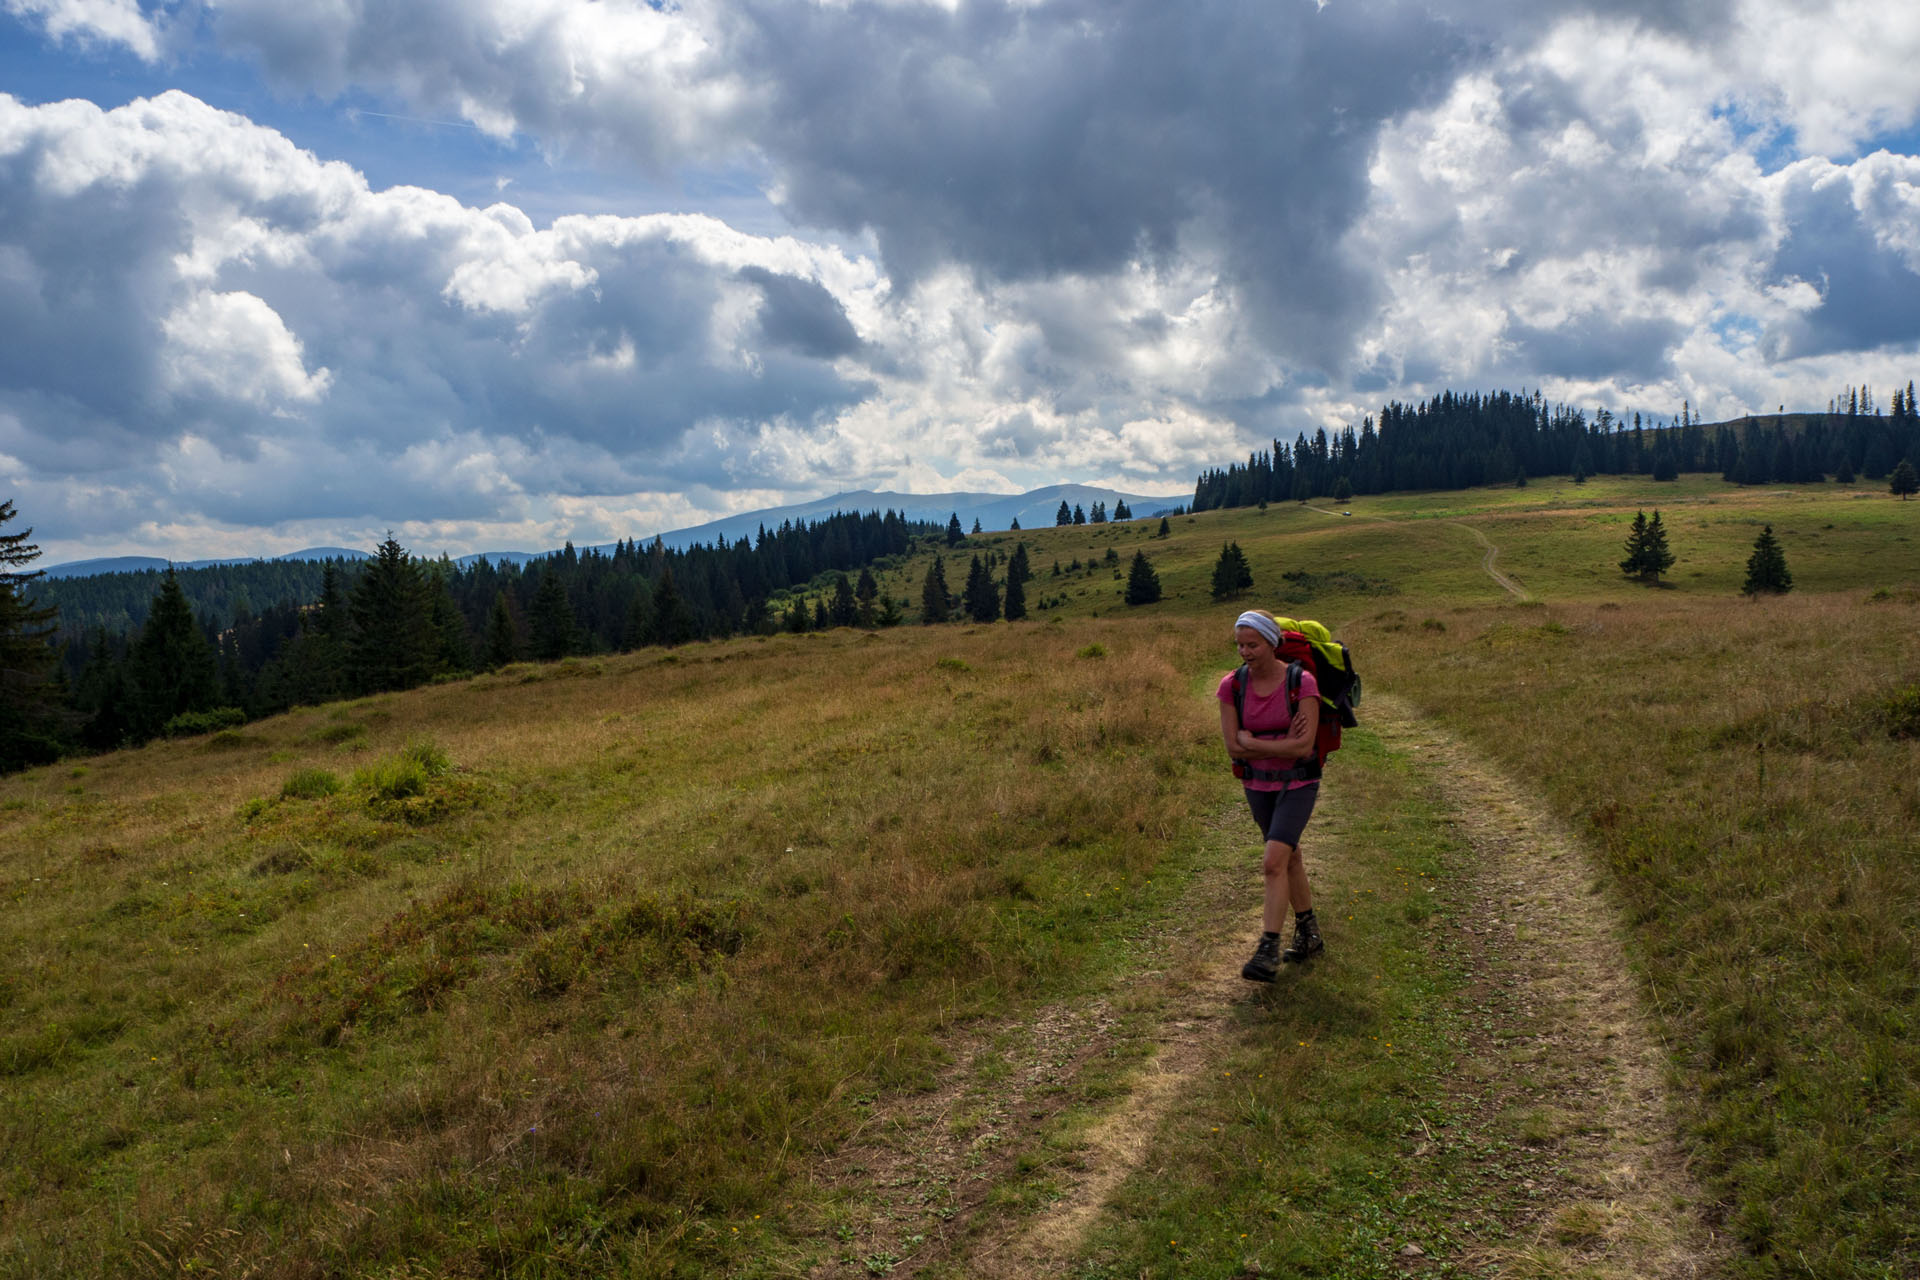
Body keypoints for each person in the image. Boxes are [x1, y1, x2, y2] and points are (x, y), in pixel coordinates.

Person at [1218, 609, 1324, 981]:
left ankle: (1267, 949)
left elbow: (1304, 747)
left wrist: (1255, 742)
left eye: (1253, 644)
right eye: (1240, 645)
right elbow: (1233, 747)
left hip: (1299, 783)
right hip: (1256, 784)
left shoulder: (1302, 683)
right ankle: (1310, 934)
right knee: (1289, 857)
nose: (1245, 652)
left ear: (1272, 642)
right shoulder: (1231, 686)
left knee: (1272, 862)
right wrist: (1278, 744)